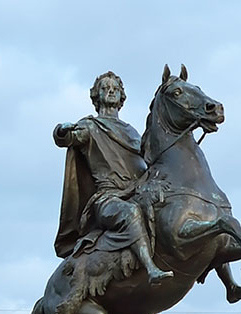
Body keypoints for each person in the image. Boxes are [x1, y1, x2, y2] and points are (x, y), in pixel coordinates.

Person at [53, 72, 173, 284]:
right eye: (105, 88)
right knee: (131, 213)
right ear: (96, 96)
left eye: (115, 89)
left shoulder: (133, 132)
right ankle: (151, 268)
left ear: (121, 97)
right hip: (108, 199)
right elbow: (68, 138)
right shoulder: (90, 126)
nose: (111, 91)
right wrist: (61, 131)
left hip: (135, 191)